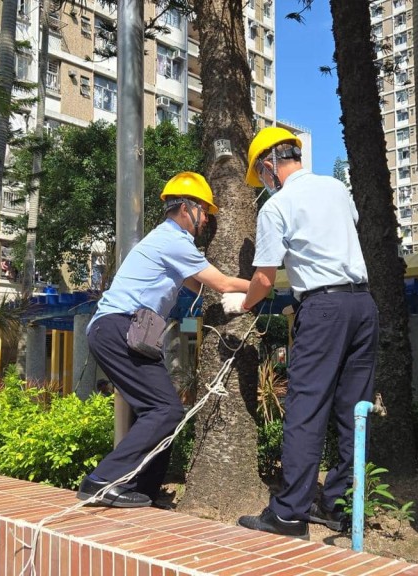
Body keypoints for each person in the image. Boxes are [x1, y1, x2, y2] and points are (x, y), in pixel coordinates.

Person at [222, 127, 379, 538]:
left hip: (323, 309)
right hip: (363, 305)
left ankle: (289, 513)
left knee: (306, 409)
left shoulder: (277, 207)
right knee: (354, 410)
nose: (265, 184)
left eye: (262, 175)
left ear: (268, 165)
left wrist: (244, 302)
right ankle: (339, 507)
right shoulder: (336, 188)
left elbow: (264, 276)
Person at [77, 171, 250, 508]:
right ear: (186, 208)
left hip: (131, 329)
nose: (206, 222)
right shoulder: (174, 241)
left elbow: (198, 285)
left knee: (157, 412)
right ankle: (100, 481)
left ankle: (143, 489)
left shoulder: (168, 243)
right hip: (119, 327)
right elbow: (222, 284)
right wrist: (260, 284)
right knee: (165, 410)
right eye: (204, 212)